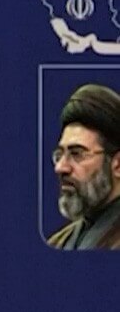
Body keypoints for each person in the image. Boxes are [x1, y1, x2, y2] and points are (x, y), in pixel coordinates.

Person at [48, 84, 120, 250]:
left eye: (77, 154)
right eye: (59, 154)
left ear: (117, 165)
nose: (60, 167)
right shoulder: (57, 242)